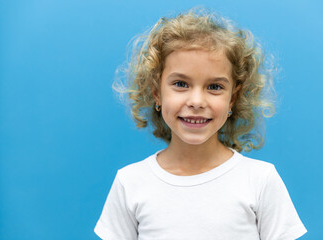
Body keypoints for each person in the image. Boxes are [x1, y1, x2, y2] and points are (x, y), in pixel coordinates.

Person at [94, 8, 307, 240]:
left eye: (214, 87)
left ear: (232, 99)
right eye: (180, 84)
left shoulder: (261, 180)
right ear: (157, 92)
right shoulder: (130, 183)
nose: (196, 101)